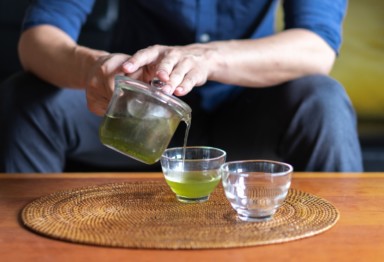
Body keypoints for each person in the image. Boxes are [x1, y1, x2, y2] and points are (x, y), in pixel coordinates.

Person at [0, 0, 363, 172]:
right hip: (133, 110)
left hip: (249, 113)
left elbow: (315, 47)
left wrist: (208, 59)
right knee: (27, 98)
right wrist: (94, 67)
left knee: (323, 100)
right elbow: (38, 38)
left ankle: (349, 249)